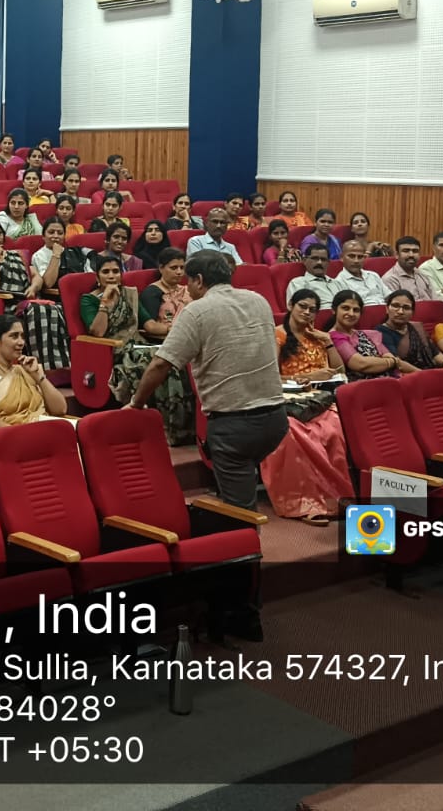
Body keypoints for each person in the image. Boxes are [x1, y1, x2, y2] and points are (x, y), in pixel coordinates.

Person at [128, 252, 290, 614]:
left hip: (235, 424)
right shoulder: (259, 300)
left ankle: (242, 607)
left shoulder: (197, 311)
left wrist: (136, 404)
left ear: (199, 280)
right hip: (275, 419)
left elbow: (161, 364)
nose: (186, 287)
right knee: (240, 497)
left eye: (189, 280)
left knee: (240, 517)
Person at [84, 254, 193, 443]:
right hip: (114, 351)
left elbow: (149, 325)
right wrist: (105, 303)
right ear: (97, 276)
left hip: (138, 343)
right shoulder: (89, 300)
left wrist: (175, 330)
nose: (111, 276)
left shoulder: (130, 295)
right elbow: (98, 332)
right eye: (106, 272)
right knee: (157, 359)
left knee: (172, 357)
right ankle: (160, 426)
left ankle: (178, 427)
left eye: (116, 271)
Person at [265, 291, 353, 525]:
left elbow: (340, 371)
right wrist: (311, 376)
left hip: (320, 400)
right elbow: (271, 376)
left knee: (334, 430)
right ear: (290, 306)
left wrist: (328, 341)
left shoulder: (318, 336)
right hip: (290, 402)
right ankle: (304, 503)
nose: (307, 312)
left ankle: (335, 498)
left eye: (312, 309)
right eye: (302, 307)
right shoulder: (278, 335)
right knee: (293, 434)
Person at [0, 219, 71, 371]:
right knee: (37, 310)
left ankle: (59, 365)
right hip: (6, 304)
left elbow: (37, 277)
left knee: (56, 309)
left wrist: (33, 287)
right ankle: (39, 365)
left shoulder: (16, 255)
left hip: (27, 299)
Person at [0, 313, 67, 426]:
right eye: (14, 336)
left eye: (22, 336)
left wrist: (39, 378)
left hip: (45, 425)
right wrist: (24, 432)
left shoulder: (25, 370)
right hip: (14, 433)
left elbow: (60, 410)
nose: (21, 342)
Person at [328, 291, 406, 380]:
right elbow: (361, 364)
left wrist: (391, 361)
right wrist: (391, 362)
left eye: (356, 310)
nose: (351, 313)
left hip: (390, 379)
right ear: (334, 310)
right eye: (346, 308)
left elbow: (390, 357)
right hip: (363, 385)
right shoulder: (333, 337)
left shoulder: (366, 334)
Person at [378, 291, 443, 371]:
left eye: (406, 308)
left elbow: (435, 353)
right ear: (387, 309)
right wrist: (423, 374)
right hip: (406, 375)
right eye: (395, 306)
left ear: (412, 313)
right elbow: (396, 362)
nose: (400, 311)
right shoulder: (381, 332)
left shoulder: (417, 327)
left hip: (430, 371)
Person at [139, 248, 192, 341]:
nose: (179, 272)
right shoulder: (151, 293)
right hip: (164, 340)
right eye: (174, 268)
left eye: (182, 267)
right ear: (161, 268)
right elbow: (149, 327)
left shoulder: (188, 290)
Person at [31, 219, 89, 294]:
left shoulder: (74, 252)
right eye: (51, 232)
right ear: (43, 236)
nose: (56, 236)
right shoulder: (39, 255)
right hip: (55, 297)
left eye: (60, 233)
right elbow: (48, 283)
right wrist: (56, 255)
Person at [382, 236, 441, 302]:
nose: (411, 255)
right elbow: (397, 306)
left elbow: (435, 301)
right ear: (397, 254)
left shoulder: (422, 274)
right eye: (406, 251)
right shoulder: (390, 279)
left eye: (415, 251)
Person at [333, 240, 391, 306]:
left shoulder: (373, 275)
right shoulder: (338, 282)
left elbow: (389, 297)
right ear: (341, 257)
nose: (356, 261)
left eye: (360, 257)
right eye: (351, 256)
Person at [285, 242, 342, 306]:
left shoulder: (337, 283)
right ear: (304, 260)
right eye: (315, 258)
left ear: (328, 263)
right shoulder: (298, 283)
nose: (319, 262)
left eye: (323, 259)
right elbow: (298, 308)